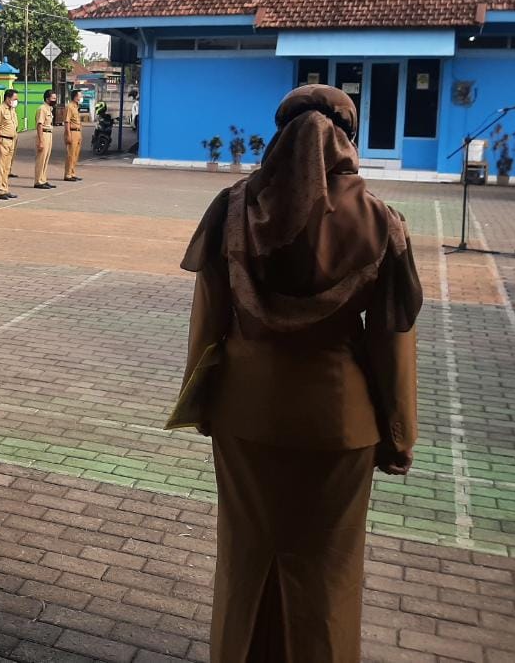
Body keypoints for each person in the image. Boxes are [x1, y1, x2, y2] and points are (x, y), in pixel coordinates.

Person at [178, 84, 421, 660]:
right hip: (340, 421)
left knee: (246, 554)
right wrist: (400, 433)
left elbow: (207, 317)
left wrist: (201, 399)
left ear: (281, 134)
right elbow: (393, 341)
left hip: (244, 410)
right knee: (327, 567)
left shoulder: (232, 209)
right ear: (348, 140)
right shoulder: (381, 221)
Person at [0, 89, 19, 200]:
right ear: (8, 98)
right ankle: (0, 190)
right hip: (3, 140)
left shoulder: (12, 109)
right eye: (14, 99)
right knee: (1, 167)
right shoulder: (0, 109)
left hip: (12, 141)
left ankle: (5, 188)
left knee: (7, 167)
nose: (16, 101)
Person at [34, 89, 57, 189]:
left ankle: (43, 179)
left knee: (46, 158)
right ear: (47, 99)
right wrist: (41, 140)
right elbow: (39, 125)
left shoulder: (49, 109)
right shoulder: (42, 109)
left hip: (49, 134)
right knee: (41, 159)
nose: (55, 100)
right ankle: (38, 181)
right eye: (53, 98)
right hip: (43, 134)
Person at [63, 88, 83, 182]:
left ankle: (72, 173)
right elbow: (67, 121)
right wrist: (68, 135)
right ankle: (68, 174)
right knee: (70, 154)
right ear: (75, 97)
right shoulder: (69, 107)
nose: (81, 97)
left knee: (76, 154)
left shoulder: (76, 107)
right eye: (80, 96)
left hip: (78, 132)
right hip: (72, 132)